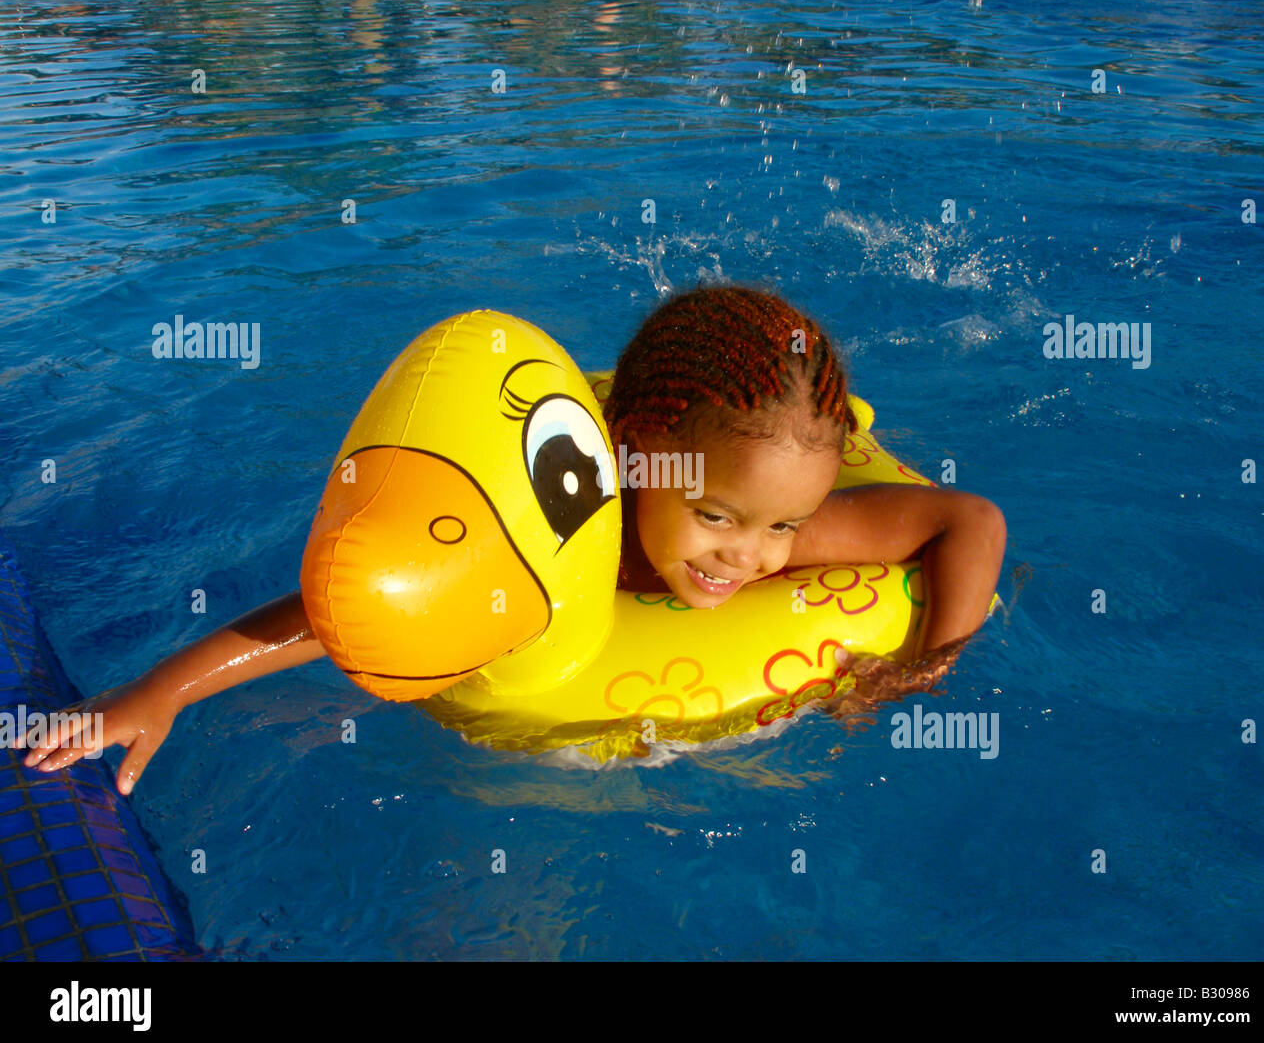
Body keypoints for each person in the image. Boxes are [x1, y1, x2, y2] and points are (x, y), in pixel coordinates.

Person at [17, 282, 1005, 792]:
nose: (747, 556)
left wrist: (926, 666)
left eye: (778, 524)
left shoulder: (784, 532)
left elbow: (970, 521)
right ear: (630, 456)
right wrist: (159, 690)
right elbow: (343, 610)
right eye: (715, 517)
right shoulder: (581, 522)